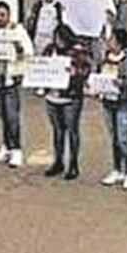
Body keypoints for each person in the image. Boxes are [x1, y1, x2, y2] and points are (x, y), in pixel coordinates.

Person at [0, 1, 33, 169]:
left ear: (8, 16)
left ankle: (16, 149)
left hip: (10, 79)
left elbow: (29, 52)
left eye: (2, 15)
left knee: (12, 115)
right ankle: (6, 146)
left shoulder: (17, 31)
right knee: (2, 115)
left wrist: (18, 47)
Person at [98, 28, 127, 190]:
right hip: (108, 102)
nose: (109, 42)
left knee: (123, 138)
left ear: (119, 43)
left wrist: (123, 83)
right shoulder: (105, 58)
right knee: (114, 137)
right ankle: (117, 169)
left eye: (112, 39)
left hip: (124, 103)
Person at [44, 25, 90, 180]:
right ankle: (58, 161)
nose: (58, 41)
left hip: (70, 97)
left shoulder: (78, 52)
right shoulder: (50, 50)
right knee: (57, 131)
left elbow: (86, 70)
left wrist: (75, 73)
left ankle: (73, 163)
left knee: (72, 130)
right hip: (52, 96)